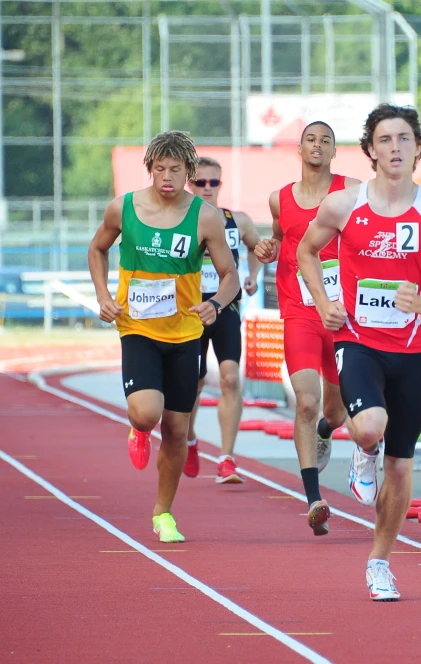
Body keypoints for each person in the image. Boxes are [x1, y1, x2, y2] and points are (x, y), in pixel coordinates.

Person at [297, 104, 421, 600]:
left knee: (403, 468)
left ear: (418, 149)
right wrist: (324, 303)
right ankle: (363, 450)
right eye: (385, 139)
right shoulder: (343, 205)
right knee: (369, 426)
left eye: (404, 139)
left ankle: (379, 563)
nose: (395, 148)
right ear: (370, 150)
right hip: (357, 340)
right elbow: (306, 251)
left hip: (409, 349)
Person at [88, 131, 240, 544]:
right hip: (137, 327)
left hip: (185, 333)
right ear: (150, 169)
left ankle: (164, 513)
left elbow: (230, 276)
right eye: (160, 169)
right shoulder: (124, 208)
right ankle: (138, 429)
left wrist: (218, 304)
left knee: (176, 430)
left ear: (188, 173)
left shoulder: (205, 217)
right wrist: (103, 295)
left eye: (176, 170)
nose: (167, 177)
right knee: (146, 413)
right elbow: (97, 249)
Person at [254, 121, 361, 537]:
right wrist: (266, 248)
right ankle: (314, 498)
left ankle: (324, 432)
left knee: (334, 412)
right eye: (310, 140)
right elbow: (280, 239)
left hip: (340, 315)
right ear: (299, 149)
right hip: (299, 311)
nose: (317, 145)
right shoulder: (279, 198)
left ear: (335, 151)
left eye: (326, 140)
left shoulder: (352, 190)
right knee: (304, 401)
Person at [183, 157, 262, 483]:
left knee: (231, 379)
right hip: (189, 310)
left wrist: (253, 276)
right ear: (190, 185)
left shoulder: (237, 221)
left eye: (212, 183)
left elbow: (259, 247)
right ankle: (188, 440)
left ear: (220, 185)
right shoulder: (179, 219)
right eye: (200, 183)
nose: (206, 188)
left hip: (225, 306)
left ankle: (226, 458)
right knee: (193, 384)